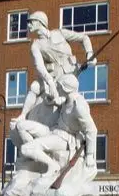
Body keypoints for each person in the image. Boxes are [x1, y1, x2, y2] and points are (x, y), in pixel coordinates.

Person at [10, 11, 96, 147]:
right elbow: (39, 66)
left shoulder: (60, 33)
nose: (29, 25)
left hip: (69, 75)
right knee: (34, 86)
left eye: (31, 21)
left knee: (70, 99)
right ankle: (23, 114)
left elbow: (84, 38)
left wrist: (90, 53)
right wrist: (49, 81)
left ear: (40, 22)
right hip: (53, 77)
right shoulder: (36, 45)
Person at [20, 73, 97, 177]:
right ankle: (39, 154)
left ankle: (52, 165)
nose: (57, 89)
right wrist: (54, 101)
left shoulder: (79, 106)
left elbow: (91, 130)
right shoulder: (67, 99)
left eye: (59, 87)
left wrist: (89, 155)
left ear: (66, 88)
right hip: (53, 130)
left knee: (26, 149)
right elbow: (63, 101)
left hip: (65, 139)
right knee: (21, 126)